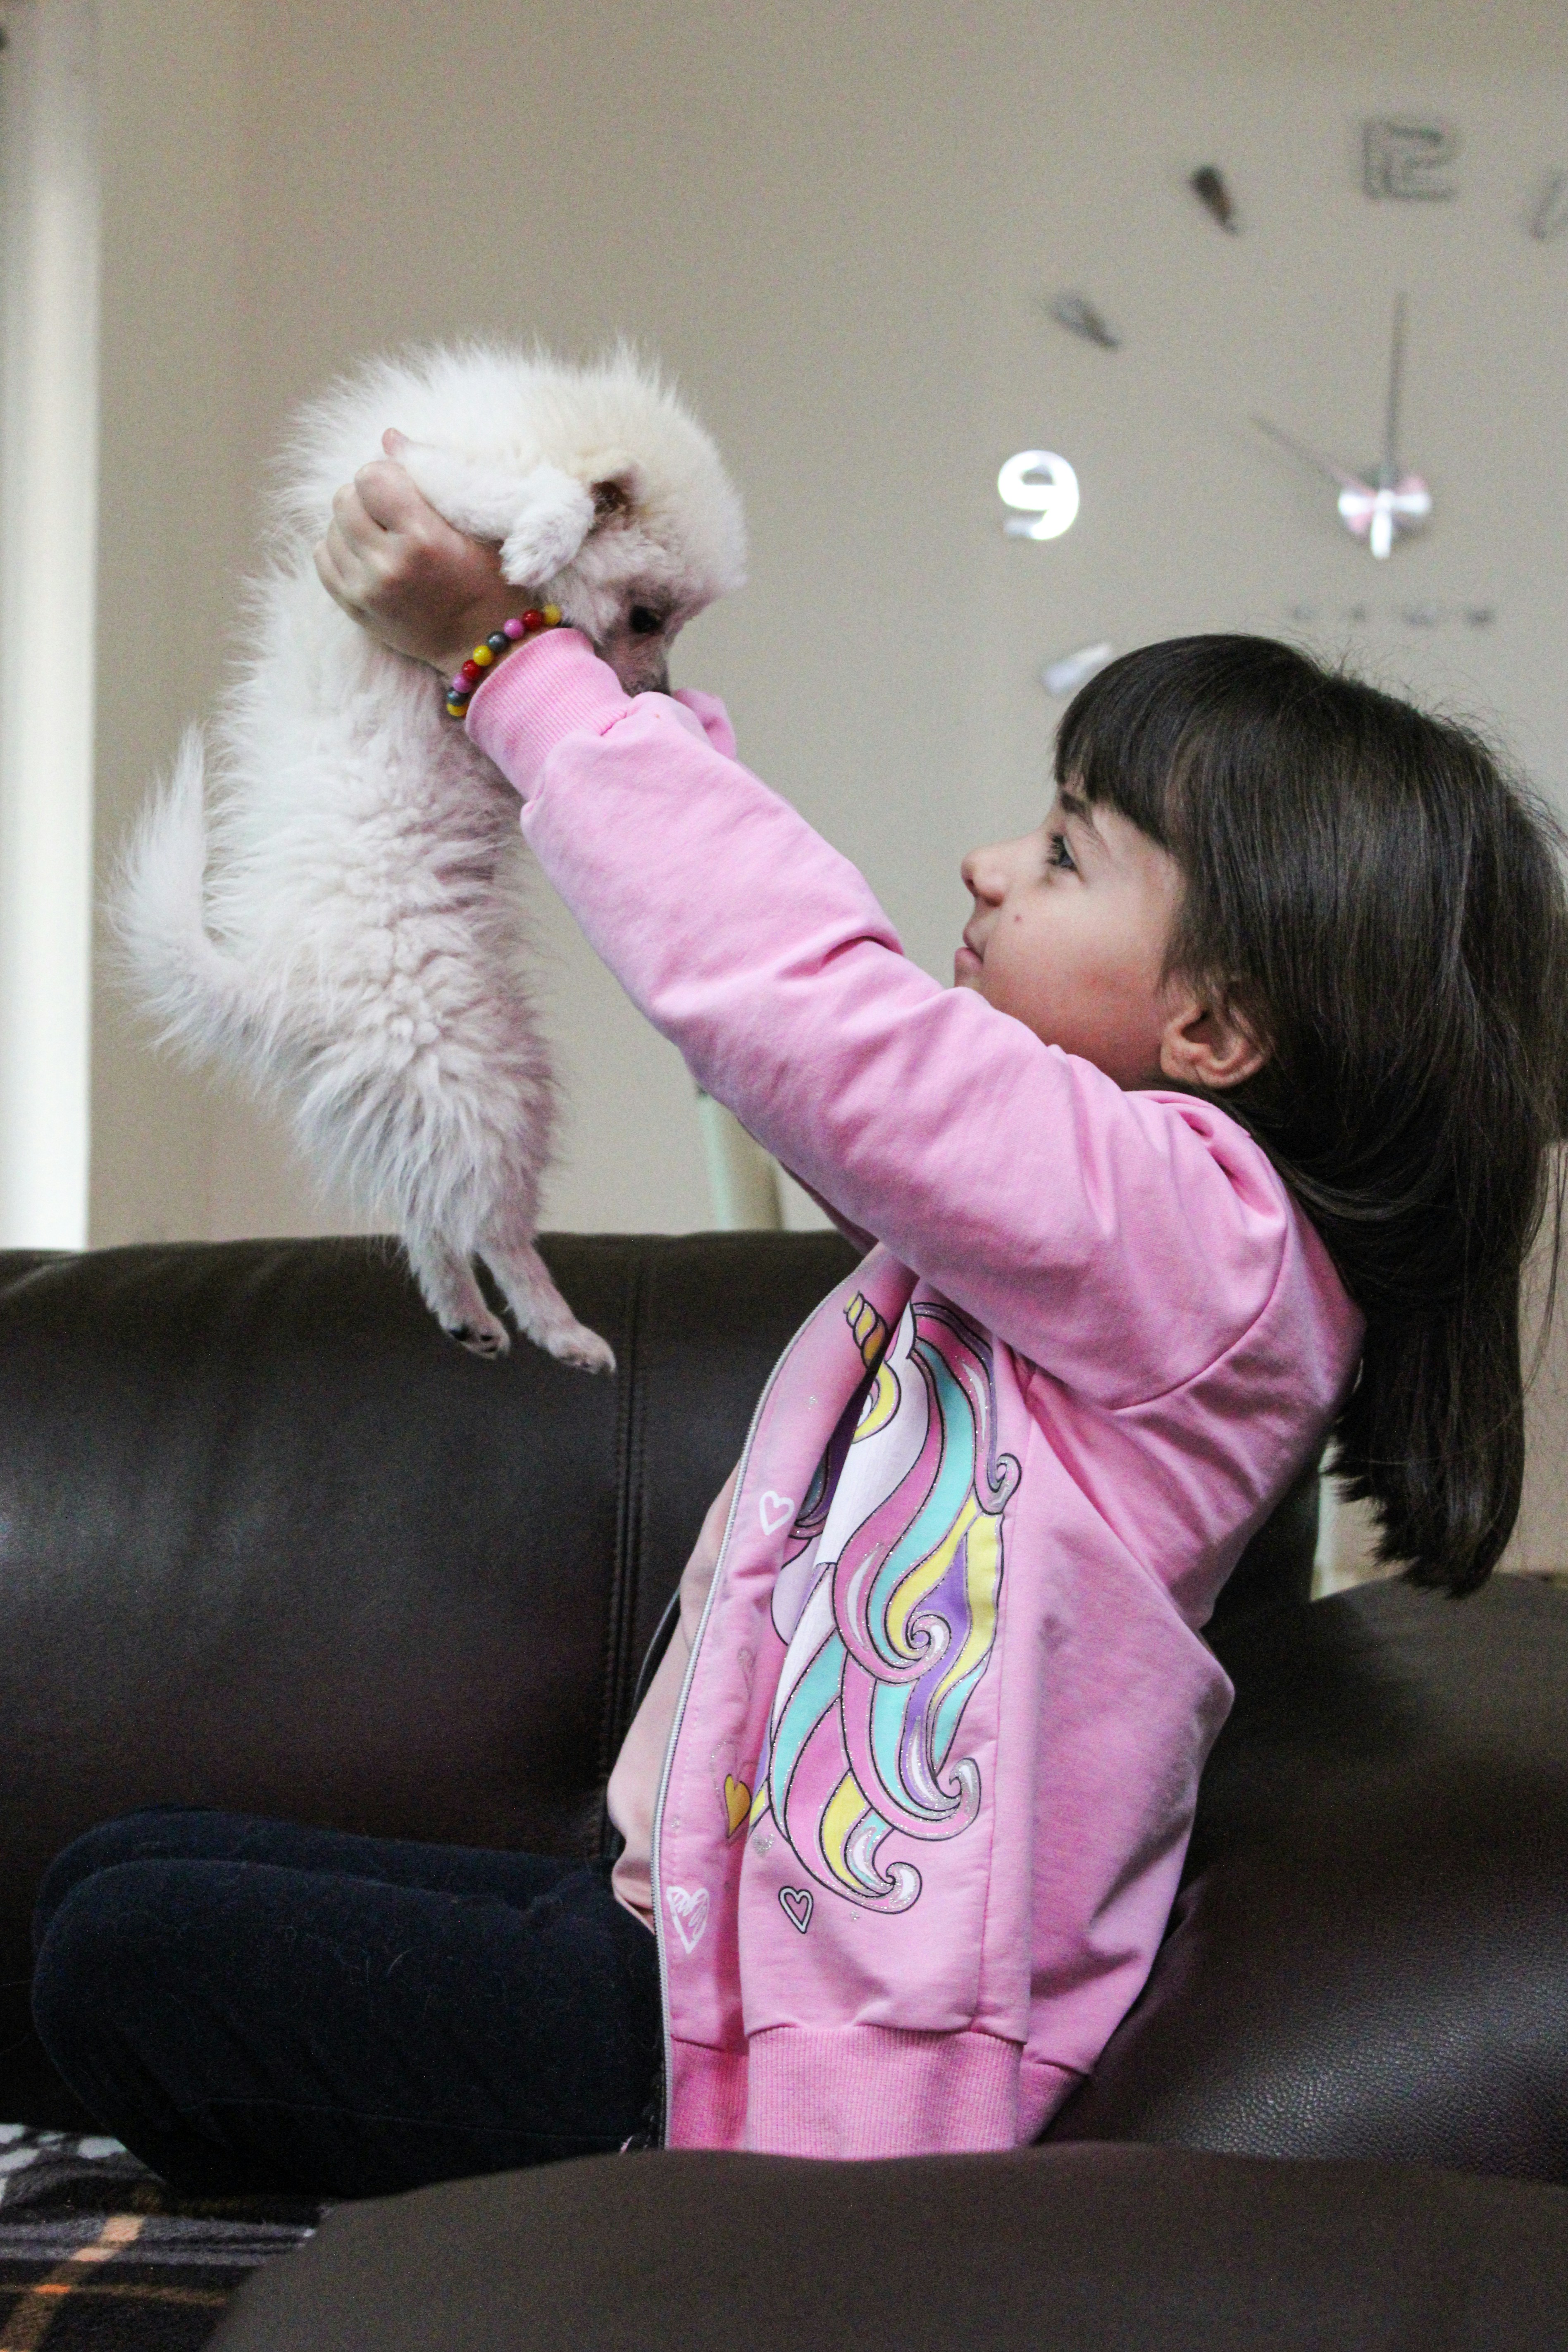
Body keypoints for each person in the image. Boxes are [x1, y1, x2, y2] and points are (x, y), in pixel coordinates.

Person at [31, 458, 1568, 2194]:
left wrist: (508, 665)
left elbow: (803, 1010)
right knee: (115, 1874)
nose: (987, 866)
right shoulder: (1092, 1240)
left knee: (123, 1948)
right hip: (691, 1953)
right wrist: (624, 688)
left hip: (771, 2081)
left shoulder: (1200, 1251)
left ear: (1216, 1024)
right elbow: (798, 1041)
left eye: (1062, 852)